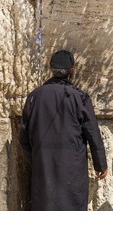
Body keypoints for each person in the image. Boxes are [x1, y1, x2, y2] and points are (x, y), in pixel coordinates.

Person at [19, 50, 108, 211]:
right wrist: (100, 164)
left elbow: (24, 139)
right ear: (72, 70)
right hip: (72, 172)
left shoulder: (34, 97)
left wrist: (38, 158)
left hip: (43, 171)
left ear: (51, 69)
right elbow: (92, 133)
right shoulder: (79, 98)